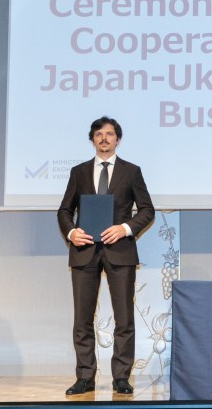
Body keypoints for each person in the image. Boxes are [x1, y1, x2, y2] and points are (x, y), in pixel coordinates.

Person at [56, 116, 155, 396]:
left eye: (109, 134)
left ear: (117, 140)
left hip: (120, 252)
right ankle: (85, 377)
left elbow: (147, 210)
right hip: (84, 252)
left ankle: (121, 377)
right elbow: (64, 210)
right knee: (82, 319)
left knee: (124, 319)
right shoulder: (78, 172)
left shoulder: (131, 171)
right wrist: (71, 232)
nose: (104, 138)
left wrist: (125, 228)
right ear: (92, 140)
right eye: (99, 134)